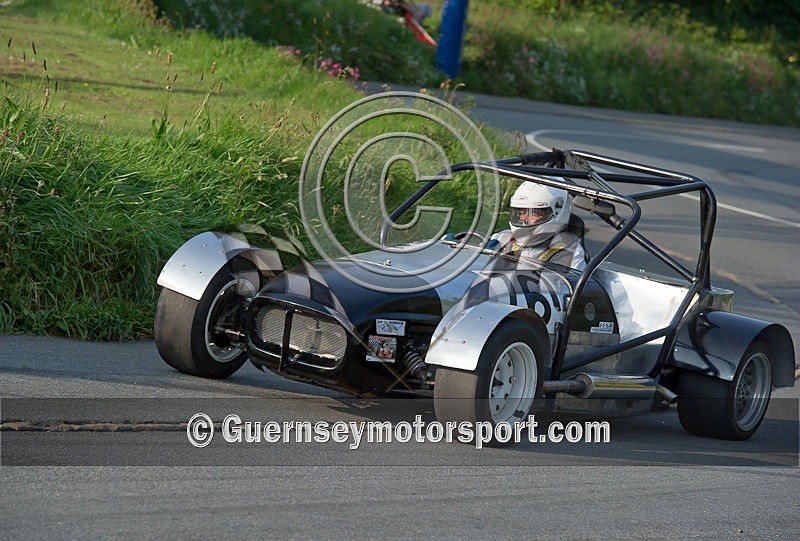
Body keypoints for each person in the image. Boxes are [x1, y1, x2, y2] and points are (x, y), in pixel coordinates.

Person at [490, 182, 587, 271]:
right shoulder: (501, 238)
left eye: (533, 213)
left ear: (556, 213)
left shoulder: (570, 251)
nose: (524, 219)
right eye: (521, 212)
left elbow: (565, 288)